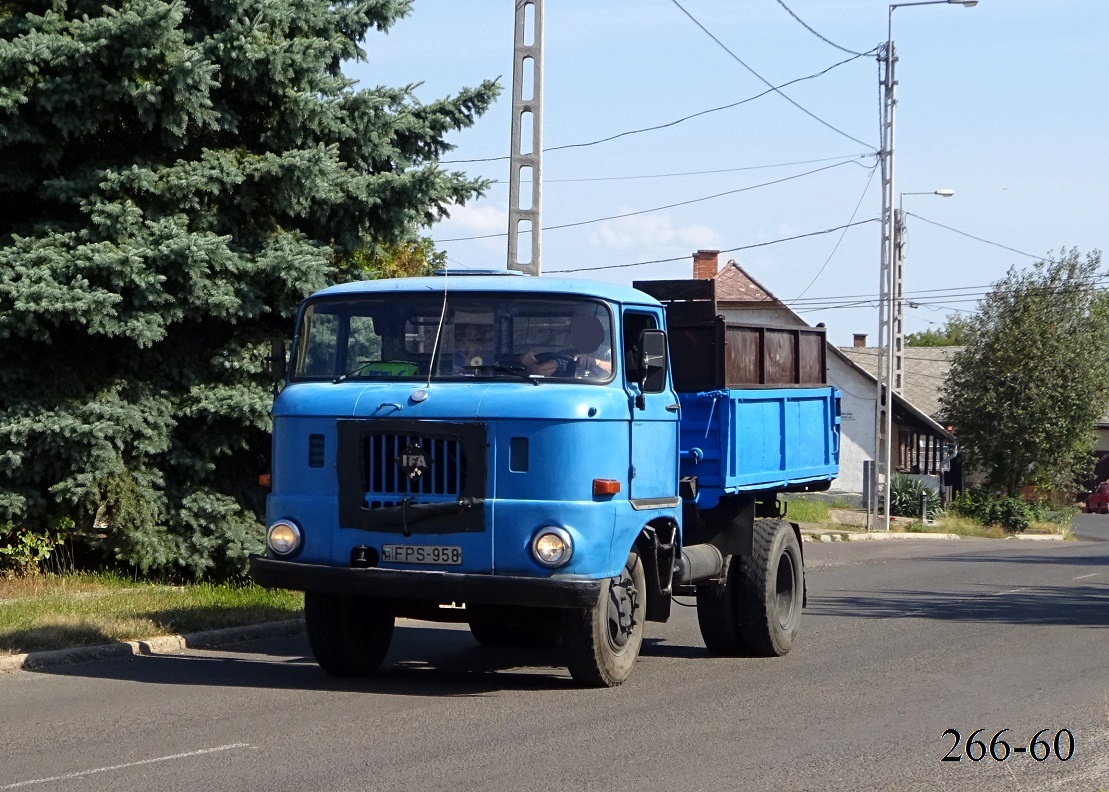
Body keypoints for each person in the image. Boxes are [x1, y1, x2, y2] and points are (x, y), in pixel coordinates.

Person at [520, 314, 611, 379]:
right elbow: (539, 371)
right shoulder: (568, 356)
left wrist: (596, 362)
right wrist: (529, 361)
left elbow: (617, 370)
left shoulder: (606, 352)